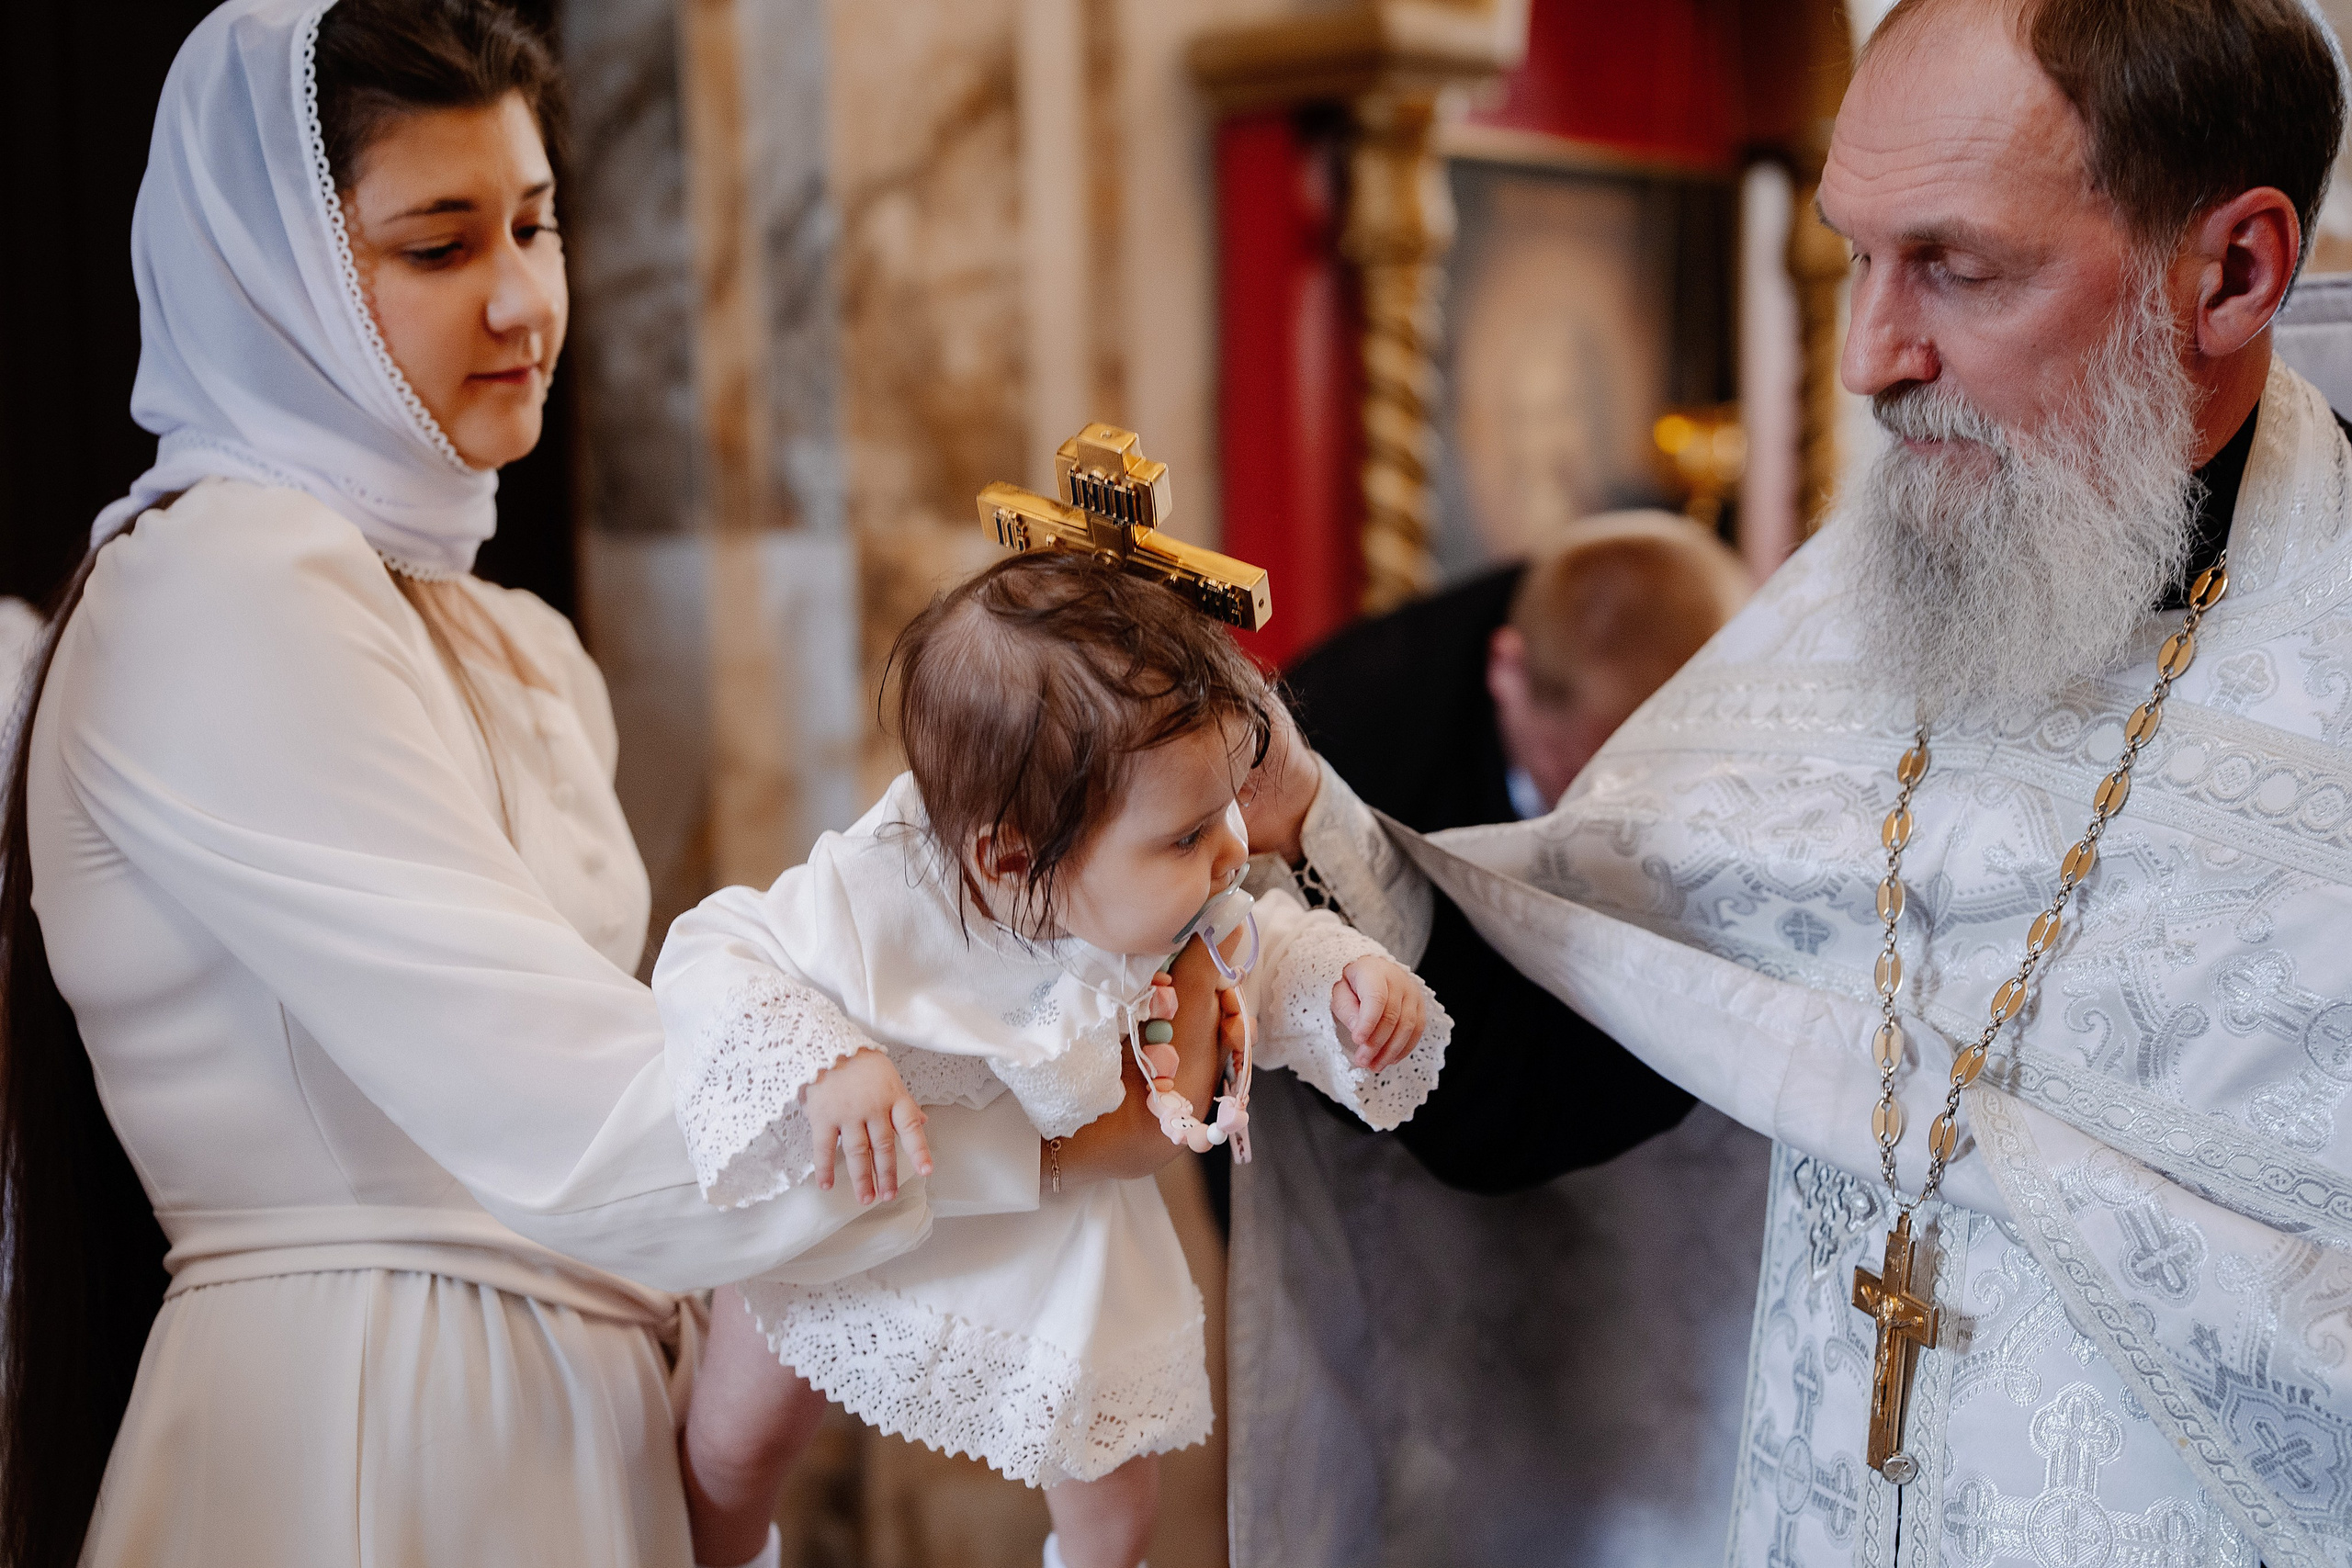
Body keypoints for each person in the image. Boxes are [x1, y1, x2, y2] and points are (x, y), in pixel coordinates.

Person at [0, 4, 1226, 1564]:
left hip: (588, 1401)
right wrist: (1039, 1129)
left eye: (535, 222)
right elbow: (572, 1099)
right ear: (275, 279)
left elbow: (703, 1051)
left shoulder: (517, 643)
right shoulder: (222, 582)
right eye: (438, 248)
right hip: (375, 1421)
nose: (522, 298)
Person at [1230, 1, 2352, 1563]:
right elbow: (1560, 1063)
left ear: (2233, 271)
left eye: (1957, 266)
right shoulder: (1865, 605)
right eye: (1857, 253)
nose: (1868, 359)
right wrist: (1298, 818)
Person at [653, 554, 1446, 1568]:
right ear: (1010, 858)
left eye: (1226, 811)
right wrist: (825, 1061)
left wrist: (1347, 988)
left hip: (1059, 1243)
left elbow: (1261, 946)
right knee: (732, 1446)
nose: (1227, 852)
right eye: (1188, 834)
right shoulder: (886, 891)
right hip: (866, 1204)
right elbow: (716, 948)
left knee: (1117, 1515)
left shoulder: (1178, 893)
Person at [1223, 513, 1760, 1566]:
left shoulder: (1690, 648)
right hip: (1403, 1164)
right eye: (1598, 774)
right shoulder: (1349, 743)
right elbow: (1432, 1108)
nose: (1631, 817)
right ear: (1510, 677)